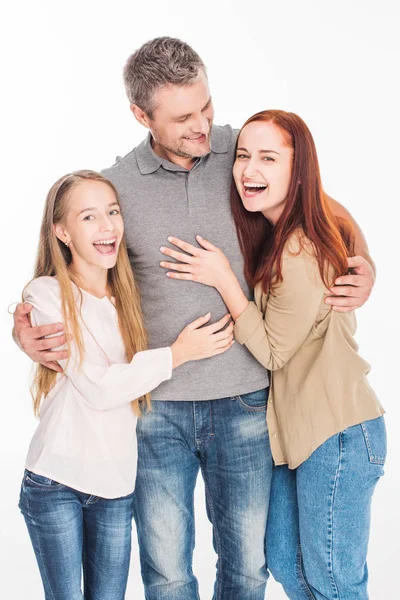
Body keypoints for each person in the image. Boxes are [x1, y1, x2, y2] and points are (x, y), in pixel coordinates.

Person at [12, 38, 376, 600]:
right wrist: (25, 329)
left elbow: (319, 205)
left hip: (249, 400)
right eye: (183, 117)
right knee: (166, 572)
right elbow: (75, 261)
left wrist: (364, 263)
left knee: (249, 568)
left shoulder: (241, 154)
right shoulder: (119, 187)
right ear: (141, 115)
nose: (203, 125)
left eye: (207, 106)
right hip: (159, 409)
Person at [159, 109, 386, 600]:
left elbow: (274, 352)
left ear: (297, 170)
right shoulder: (280, 233)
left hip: (337, 432)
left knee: (332, 581)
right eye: (243, 156)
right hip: (295, 437)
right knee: (285, 560)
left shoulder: (301, 249)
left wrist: (222, 278)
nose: (248, 169)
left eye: (268, 158)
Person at [18, 170, 234, 600]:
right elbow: (97, 388)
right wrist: (178, 353)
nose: (107, 226)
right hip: (56, 479)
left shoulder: (131, 300)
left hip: (116, 486)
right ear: (61, 232)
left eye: (113, 212)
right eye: (89, 217)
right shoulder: (45, 293)